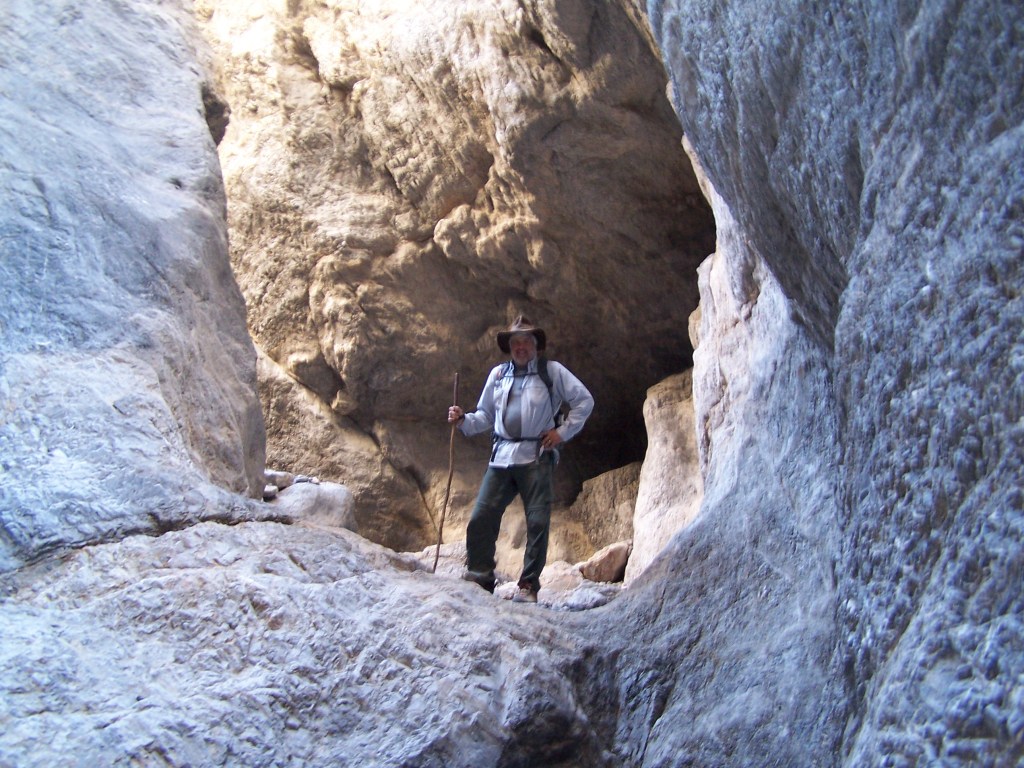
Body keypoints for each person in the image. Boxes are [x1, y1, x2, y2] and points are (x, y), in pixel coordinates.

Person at [447, 316, 594, 603]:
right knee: (482, 516)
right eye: (516, 342)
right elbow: (485, 416)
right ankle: (480, 574)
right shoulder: (498, 375)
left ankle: (528, 585)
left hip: (535, 457)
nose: (521, 346)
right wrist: (464, 419)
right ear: (509, 346)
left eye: (526, 341)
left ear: (536, 345)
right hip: (501, 456)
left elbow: (584, 401)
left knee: (537, 521)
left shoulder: (551, 372)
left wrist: (561, 433)